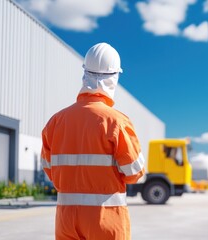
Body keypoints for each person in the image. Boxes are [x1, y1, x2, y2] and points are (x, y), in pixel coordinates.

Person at [41, 43, 145, 240]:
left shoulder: (56, 121)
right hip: (106, 220)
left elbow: (50, 171)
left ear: (85, 74)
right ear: (114, 78)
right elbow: (134, 172)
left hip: (66, 220)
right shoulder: (116, 121)